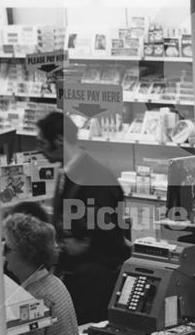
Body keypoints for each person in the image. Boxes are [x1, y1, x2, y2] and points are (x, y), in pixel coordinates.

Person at [36, 111, 129, 272]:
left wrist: (80, 240)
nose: (39, 150)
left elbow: (108, 225)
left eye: (42, 143)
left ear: (59, 140)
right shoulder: (68, 171)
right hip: (76, 268)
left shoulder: (95, 176)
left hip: (94, 273)